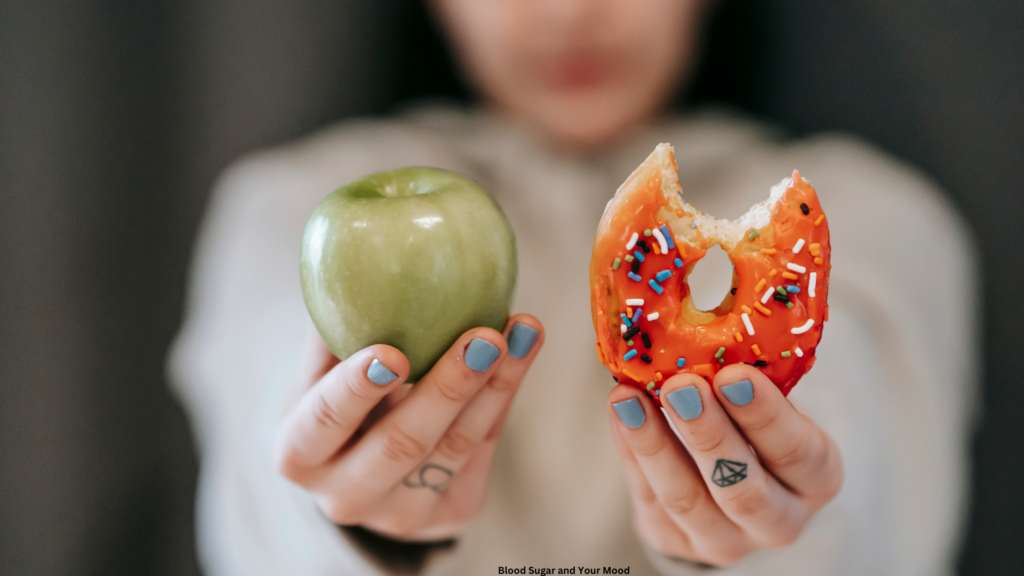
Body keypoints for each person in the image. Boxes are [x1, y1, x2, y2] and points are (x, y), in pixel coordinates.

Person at [168, 0, 978, 574]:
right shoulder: (283, 204)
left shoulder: (878, 214)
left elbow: (862, 438)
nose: (568, 12)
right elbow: (262, 430)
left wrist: (785, 513)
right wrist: (346, 514)